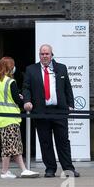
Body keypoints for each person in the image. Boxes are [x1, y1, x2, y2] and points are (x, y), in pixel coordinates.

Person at [22, 44, 80, 178]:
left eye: (47, 54)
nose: (44, 56)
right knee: (45, 142)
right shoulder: (31, 70)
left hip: (59, 111)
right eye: (42, 54)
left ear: (51, 54)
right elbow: (26, 88)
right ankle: (50, 169)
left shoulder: (61, 68)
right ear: (39, 55)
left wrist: (70, 104)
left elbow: (67, 88)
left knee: (63, 141)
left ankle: (68, 169)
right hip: (41, 111)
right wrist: (27, 101)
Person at [0, 57, 39, 179]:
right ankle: (14, 171)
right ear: (10, 67)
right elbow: (16, 99)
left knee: (11, 146)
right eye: (13, 65)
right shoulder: (11, 82)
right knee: (12, 146)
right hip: (10, 118)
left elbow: (5, 97)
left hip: (0, 118)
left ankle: (14, 170)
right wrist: (23, 100)